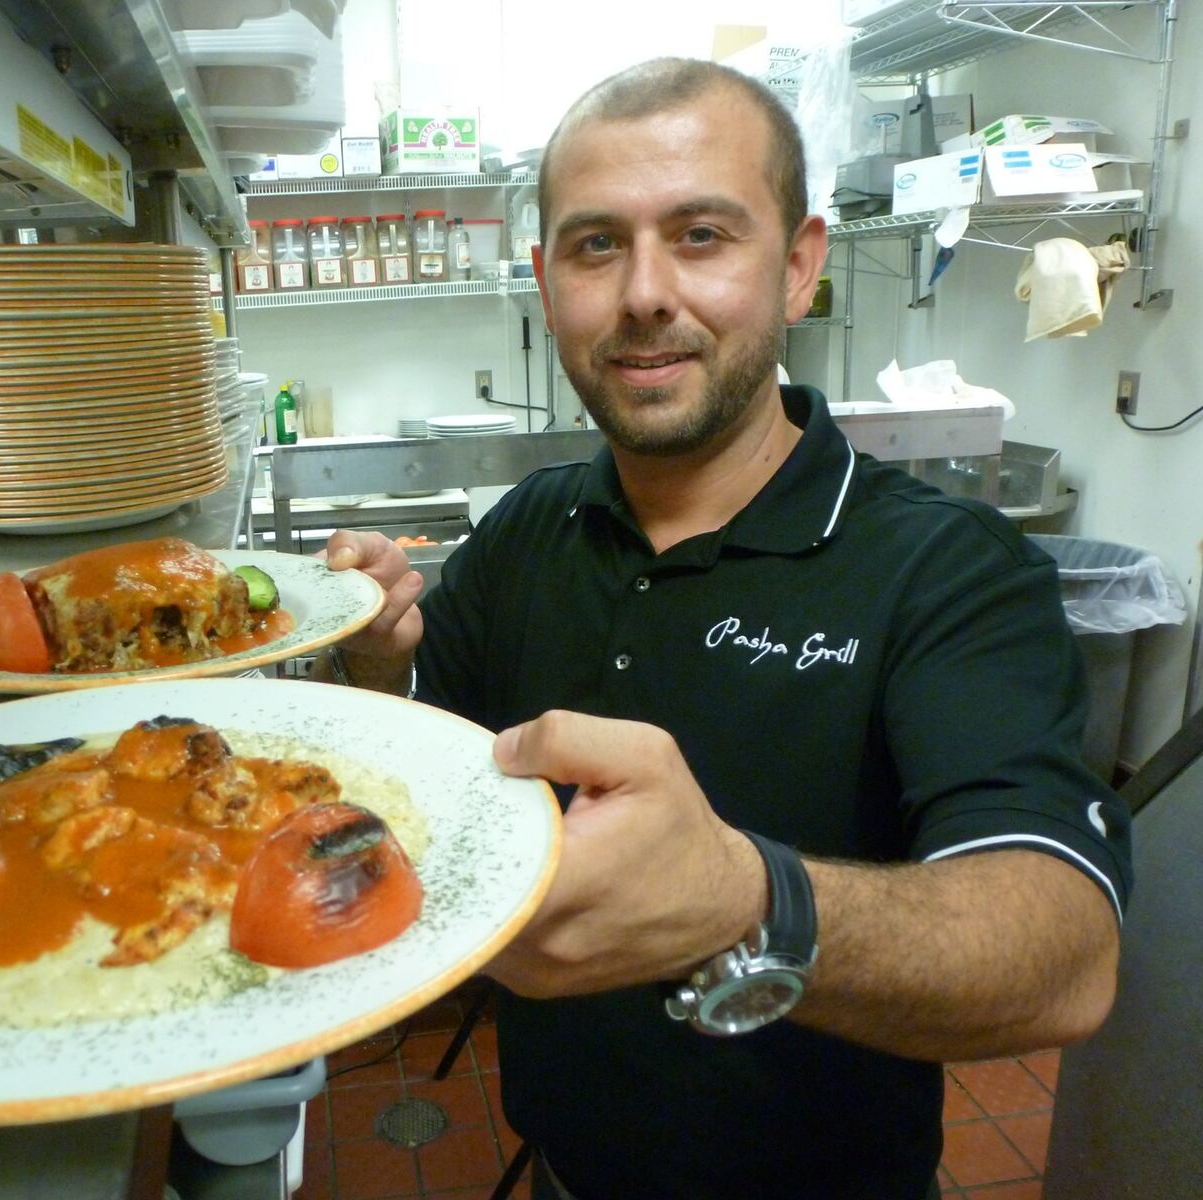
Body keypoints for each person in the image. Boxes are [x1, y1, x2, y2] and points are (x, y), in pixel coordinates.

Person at [318, 56, 1131, 1200]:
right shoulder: (525, 532)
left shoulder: (948, 569)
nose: (645, 291)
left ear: (797, 267)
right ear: (547, 281)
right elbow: (416, 787)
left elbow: (1062, 956)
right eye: (597, 245)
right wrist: (372, 665)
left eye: (701, 234)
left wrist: (751, 901)